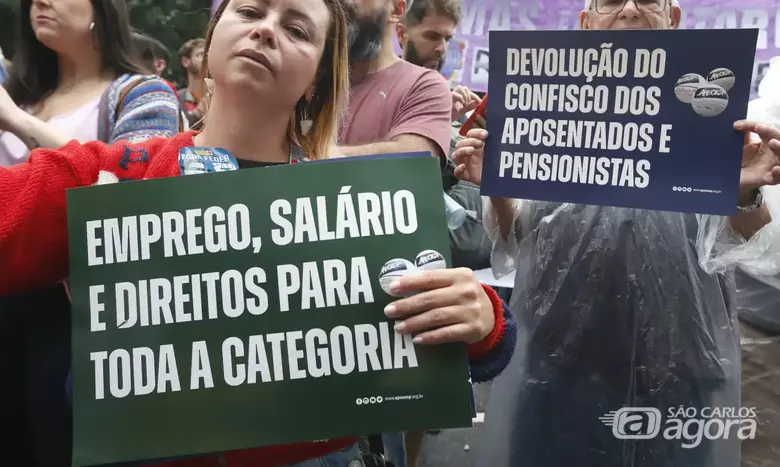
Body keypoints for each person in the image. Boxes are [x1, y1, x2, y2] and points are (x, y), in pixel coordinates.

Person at [0, 0, 514, 466]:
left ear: (317, 78)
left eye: (296, 29)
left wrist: (482, 317)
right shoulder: (111, 177)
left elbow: (464, 329)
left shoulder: (361, 210)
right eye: (250, 12)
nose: (267, 31)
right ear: (214, 36)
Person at [452, 0, 780, 466]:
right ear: (587, 23)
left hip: (681, 371)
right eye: (609, 1)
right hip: (559, 365)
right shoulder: (547, 112)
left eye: (646, 0)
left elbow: (745, 243)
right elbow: (519, 240)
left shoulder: (710, 117)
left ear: (675, 19)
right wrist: (499, 189)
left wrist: (743, 190)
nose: (628, 9)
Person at [0, 0, 180, 464]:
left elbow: (136, 183)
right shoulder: (19, 93)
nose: (39, 2)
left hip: (76, 324)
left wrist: (18, 122)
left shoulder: (142, 93)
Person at [178, 38, 206, 127]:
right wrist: (195, 116)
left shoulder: (222, 98)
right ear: (185, 62)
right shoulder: (176, 100)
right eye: (201, 54)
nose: (207, 58)